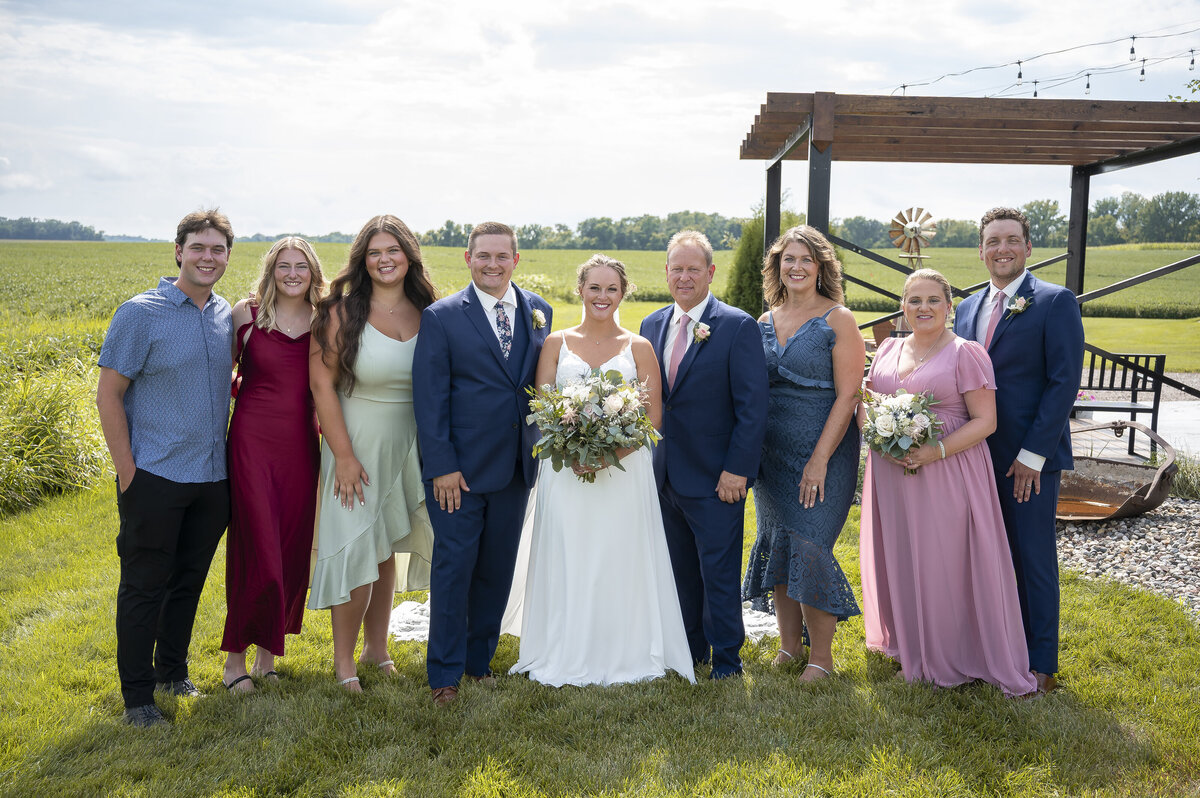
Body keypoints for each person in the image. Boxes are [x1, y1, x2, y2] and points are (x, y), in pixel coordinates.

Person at [510, 255, 695, 686]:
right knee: (570, 550)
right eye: (594, 287)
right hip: (565, 471)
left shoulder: (639, 347)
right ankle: (562, 644)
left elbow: (653, 416)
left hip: (624, 472)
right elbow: (543, 408)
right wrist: (573, 449)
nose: (602, 297)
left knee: (618, 552)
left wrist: (610, 453)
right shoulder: (555, 343)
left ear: (623, 293)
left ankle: (623, 646)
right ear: (580, 290)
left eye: (611, 289)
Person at [859, 269, 1037, 696]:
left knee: (946, 560)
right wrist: (878, 439)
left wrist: (933, 451)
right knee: (901, 553)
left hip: (947, 471)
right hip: (891, 472)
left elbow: (986, 421)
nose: (923, 308)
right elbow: (865, 403)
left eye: (933, 300)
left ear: (949, 306)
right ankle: (909, 641)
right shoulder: (886, 348)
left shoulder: (965, 353)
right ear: (903, 306)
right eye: (915, 300)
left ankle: (956, 650)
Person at [96, 209, 235, 727]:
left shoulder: (225, 315)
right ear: (179, 251)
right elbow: (108, 395)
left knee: (188, 581)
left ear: (226, 256)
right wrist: (128, 471)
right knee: (143, 586)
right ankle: (137, 699)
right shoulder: (140, 313)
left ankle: (173, 672)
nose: (207, 257)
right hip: (153, 475)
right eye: (198, 247)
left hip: (212, 478)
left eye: (217, 249)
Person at [413, 222, 553, 706]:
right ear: (467, 258)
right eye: (483, 256)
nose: (492, 265)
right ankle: (444, 675)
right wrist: (442, 466)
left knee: (497, 568)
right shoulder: (443, 316)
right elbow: (429, 401)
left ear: (517, 259)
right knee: (454, 570)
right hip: (460, 473)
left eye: (502, 256)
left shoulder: (538, 310)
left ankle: (478, 662)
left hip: (516, 466)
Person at [952, 208, 1084, 694]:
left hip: (1027, 459)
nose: (1001, 249)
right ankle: (990, 649)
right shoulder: (966, 309)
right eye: (992, 241)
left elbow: (1063, 382)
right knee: (983, 555)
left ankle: (1040, 664)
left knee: (1031, 557)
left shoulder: (1054, 302)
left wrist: (1034, 454)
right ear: (981, 249)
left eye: (1011, 240)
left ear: (1028, 247)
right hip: (973, 456)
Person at [307, 215, 436, 692]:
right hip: (355, 442)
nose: (385, 260)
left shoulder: (429, 310)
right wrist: (341, 454)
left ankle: (377, 648)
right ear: (363, 259)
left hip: (408, 443)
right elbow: (322, 385)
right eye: (375, 252)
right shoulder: (342, 312)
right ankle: (343, 662)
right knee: (358, 545)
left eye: (394, 251)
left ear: (409, 257)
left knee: (386, 549)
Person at [639, 230, 768, 679]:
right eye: (677, 268)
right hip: (664, 475)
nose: (685, 277)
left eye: (694, 269)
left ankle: (728, 660)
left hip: (717, 478)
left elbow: (752, 409)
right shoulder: (651, 325)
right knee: (678, 572)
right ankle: (690, 652)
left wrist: (737, 470)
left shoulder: (737, 325)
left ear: (711, 272)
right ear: (667, 272)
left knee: (717, 572)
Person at [742, 226, 864, 681]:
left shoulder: (838, 319)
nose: (795, 267)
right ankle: (790, 648)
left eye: (805, 260)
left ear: (820, 268)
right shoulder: (762, 321)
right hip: (772, 454)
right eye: (787, 259)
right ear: (776, 266)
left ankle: (823, 659)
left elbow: (849, 394)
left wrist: (819, 460)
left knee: (810, 545)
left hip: (824, 450)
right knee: (777, 543)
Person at [220, 237, 326, 692]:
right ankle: (232, 662)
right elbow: (217, 375)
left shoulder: (325, 320)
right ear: (271, 270)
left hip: (302, 445)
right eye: (283, 265)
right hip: (251, 443)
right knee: (255, 546)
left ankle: (268, 657)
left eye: (300, 266)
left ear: (313, 272)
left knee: (289, 545)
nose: (291, 273)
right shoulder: (244, 314)